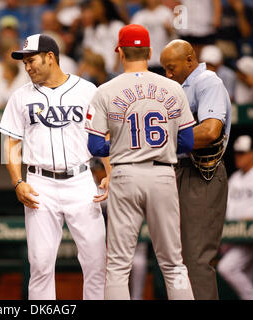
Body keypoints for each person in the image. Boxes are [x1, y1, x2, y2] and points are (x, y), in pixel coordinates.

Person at [85, 24, 195, 300]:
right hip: (163, 174)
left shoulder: (105, 90)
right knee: (173, 263)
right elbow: (188, 143)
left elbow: (95, 145)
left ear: (120, 52)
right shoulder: (173, 87)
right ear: (149, 51)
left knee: (118, 266)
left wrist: (125, 145)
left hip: (125, 175)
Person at [0, 33, 108, 300]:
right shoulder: (20, 96)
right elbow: (11, 143)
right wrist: (17, 181)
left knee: (96, 262)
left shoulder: (87, 90)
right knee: (40, 264)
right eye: (24, 62)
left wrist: (110, 173)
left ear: (50, 57)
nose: (27, 67)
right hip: (39, 183)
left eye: (31, 60)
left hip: (81, 179)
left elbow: (102, 136)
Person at [160, 39, 232, 300]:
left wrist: (162, 137)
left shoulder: (206, 81)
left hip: (201, 172)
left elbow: (211, 130)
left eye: (172, 67)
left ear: (190, 60)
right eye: (165, 69)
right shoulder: (176, 86)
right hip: (176, 170)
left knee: (197, 259)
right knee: (174, 259)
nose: (168, 74)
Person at [217, 135, 253, 300]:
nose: (238, 157)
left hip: (252, 235)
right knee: (245, 275)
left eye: (243, 153)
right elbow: (228, 208)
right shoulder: (234, 178)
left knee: (227, 268)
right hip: (236, 235)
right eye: (237, 153)